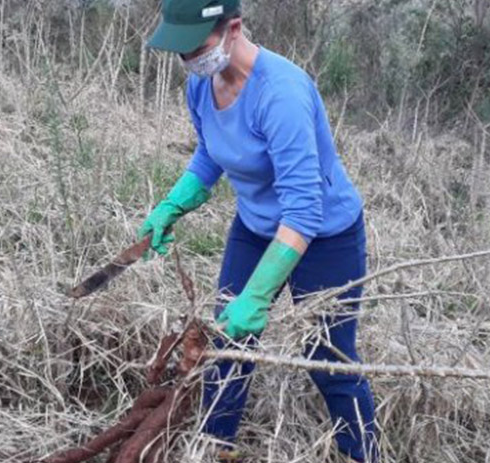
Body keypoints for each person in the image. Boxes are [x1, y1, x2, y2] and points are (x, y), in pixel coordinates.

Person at [138, 0, 377, 461]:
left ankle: (363, 453)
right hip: (255, 227)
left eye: (195, 47)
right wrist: (172, 205)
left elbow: (304, 211)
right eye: (180, 51)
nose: (188, 60)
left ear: (234, 28)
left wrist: (259, 294)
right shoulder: (201, 84)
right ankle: (214, 449)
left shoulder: (280, 93)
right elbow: (210, 153)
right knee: (227, 345)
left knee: (330, 360)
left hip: (326, 235)